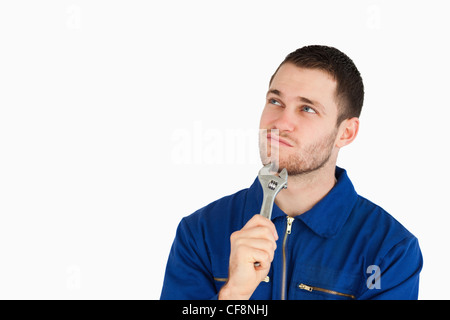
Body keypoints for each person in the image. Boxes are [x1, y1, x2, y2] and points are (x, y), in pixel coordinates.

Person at [160, 45, 423, 300]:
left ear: (346, 132)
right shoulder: (200, 233)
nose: (281, 122)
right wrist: (234, 294)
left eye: (307, 108)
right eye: (275, 101)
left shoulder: (389, 251)